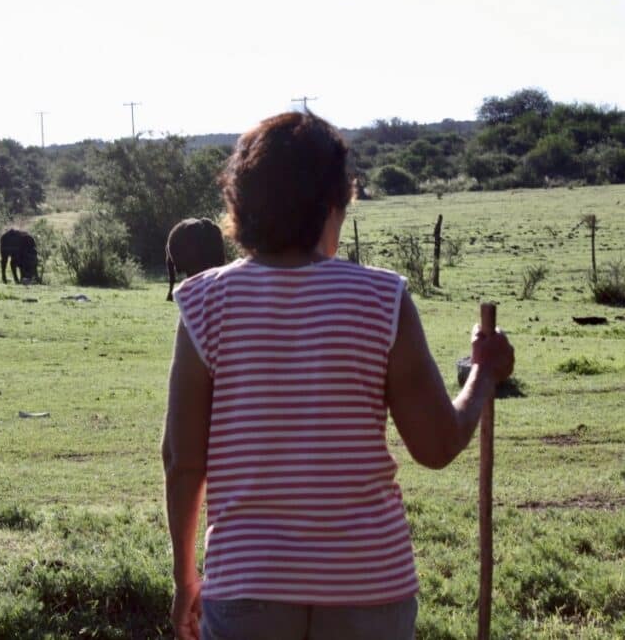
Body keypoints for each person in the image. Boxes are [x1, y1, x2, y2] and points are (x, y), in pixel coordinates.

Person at [162, 112, 514, 640]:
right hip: (369, 587)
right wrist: (483, 375)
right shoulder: (382, 298)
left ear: (242, 206)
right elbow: (437, 445)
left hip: (248, 586)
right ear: (333, 206)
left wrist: (186, 576)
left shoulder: (204, 302)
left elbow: (181, 460)